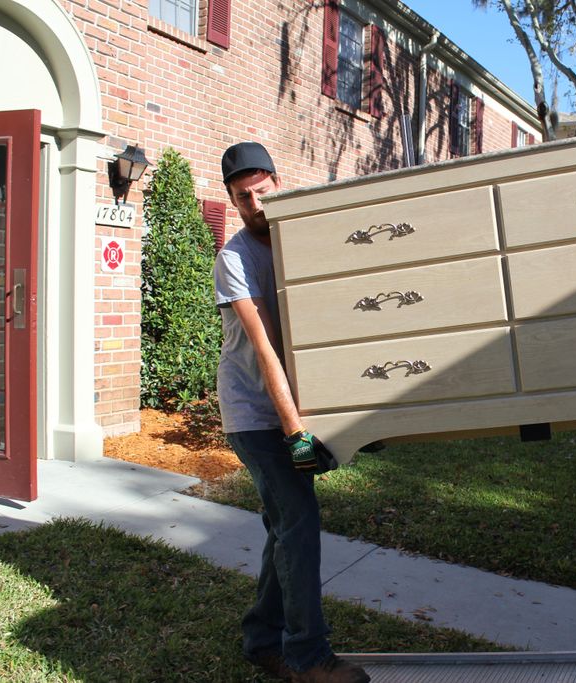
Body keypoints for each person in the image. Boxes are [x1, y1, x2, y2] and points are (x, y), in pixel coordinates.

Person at [213, 141, 370, 683]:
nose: (255, 204)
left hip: (293, 408)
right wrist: (297, 433)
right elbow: (267, 349)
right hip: (255, 413)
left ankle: (262, 639)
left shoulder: (300, 240)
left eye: (262, 191)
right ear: (232, 200)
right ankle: (307, 657)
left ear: (278, 184)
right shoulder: (235, 259)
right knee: (298, 524)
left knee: (285, 525)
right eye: (243, 197)